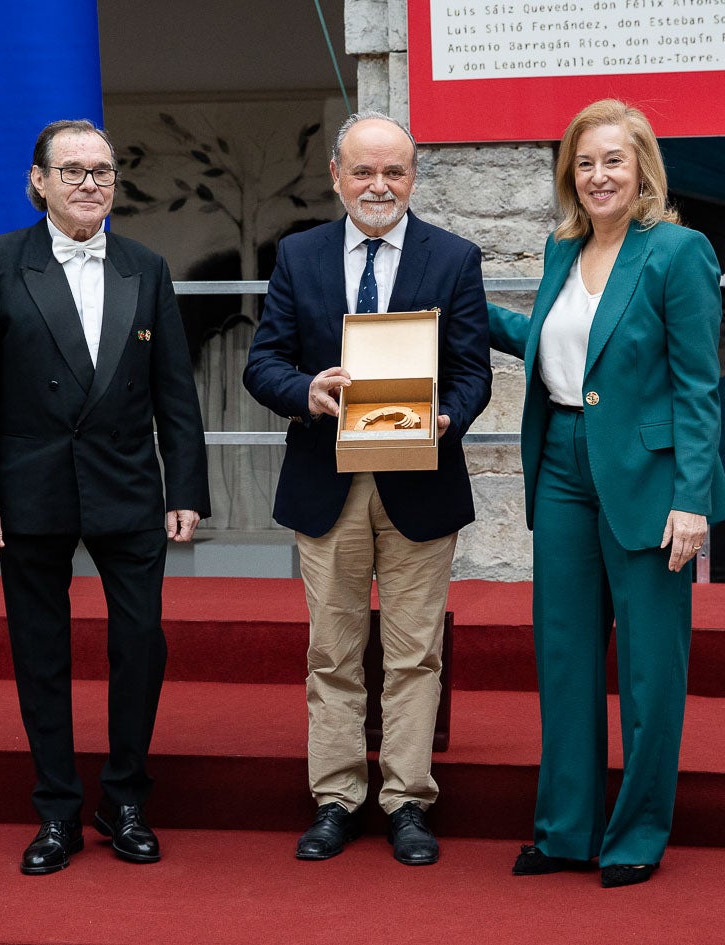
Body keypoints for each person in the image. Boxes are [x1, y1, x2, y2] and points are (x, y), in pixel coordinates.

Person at [0, 119, 211, 875]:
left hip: (128, 483)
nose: (90, 183)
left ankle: (124, 799)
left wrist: (185, 484)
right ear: (38, 181)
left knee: (139, 645)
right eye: (72, 171)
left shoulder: (145, 266)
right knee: (41, 653)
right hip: (29, 487)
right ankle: (56, 810)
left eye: (102, 170)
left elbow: (175, 394)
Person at [487, 99, 725, 888]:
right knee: (563, 657)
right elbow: (557, 346)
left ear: (642, 170)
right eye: (584, 163)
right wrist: (464, 313)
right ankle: (564, 831)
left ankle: (635, 833)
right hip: (561, 463)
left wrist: (691, 498)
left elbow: (698, 386)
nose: (598, 175)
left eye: (613, 161)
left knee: (650, 669)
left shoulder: (676, 251)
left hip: (651, 479)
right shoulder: (563, 251)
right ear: (570, 175)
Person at [243, 111, 491, 866]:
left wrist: (447, 414)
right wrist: (304, 390)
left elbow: (472, 368)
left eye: (393, 172)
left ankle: (407, 800)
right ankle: (336, 796)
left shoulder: (452, 257)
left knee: (415, 653)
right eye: (363, 171)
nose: (378, 185)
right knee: (333, 650)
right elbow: (264, 361)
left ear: (412, 178)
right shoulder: (299, 254)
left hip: (422, 481)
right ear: (336, 176)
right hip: (328, 481)